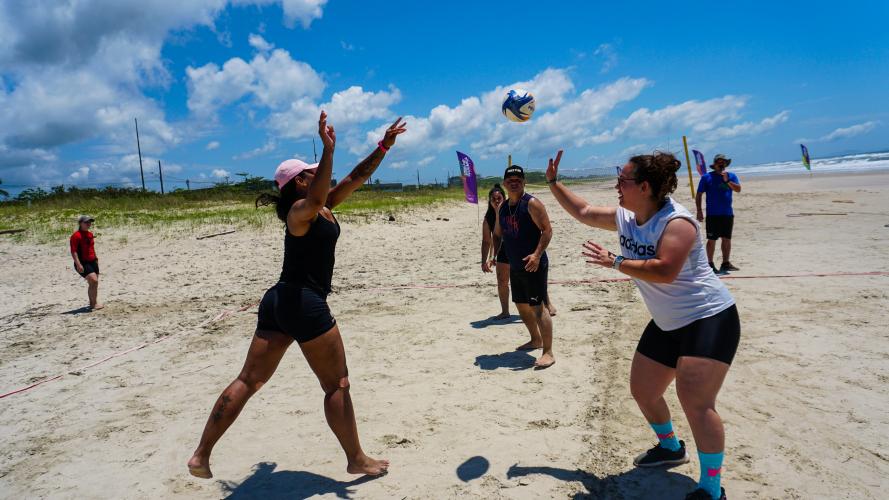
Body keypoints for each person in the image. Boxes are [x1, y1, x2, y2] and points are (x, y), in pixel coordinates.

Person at [187, 112, 407, 479]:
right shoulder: (300, 211)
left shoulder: (322, 206)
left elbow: (356, 177)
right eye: (311, 172)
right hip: (304, 303)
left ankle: (201, 455)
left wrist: (383, 146)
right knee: (336, 383)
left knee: (249, 380)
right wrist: (328, 148)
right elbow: (321, 191)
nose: (319, 174)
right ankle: (356, 458)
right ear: (299, 183)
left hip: (279, 301)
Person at [546, 150, 739, 500]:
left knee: (695, 400)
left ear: (645, 186)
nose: (617, 185)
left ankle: (712, 488)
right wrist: (553, 183)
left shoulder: (676, 222)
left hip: (708, 318)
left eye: (623, 180)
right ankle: (670, 448)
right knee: (644, 390)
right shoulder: (627, 217)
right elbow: (584, 212)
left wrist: (615, 261)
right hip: (669, 322)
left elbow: (665, 270)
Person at [493, 164, 555, 369]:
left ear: (524, 182)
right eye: (510, 180)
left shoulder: (532, 204)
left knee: (538, 308)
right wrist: (496, 256)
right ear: (504, 183)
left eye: (518, 180)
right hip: (515, 265)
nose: (514, 182)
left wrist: (537, 255)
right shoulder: (503, 207)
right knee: (521, 305)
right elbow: (500, 234)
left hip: (533, 264)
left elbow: (547, 231)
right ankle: (535, 340)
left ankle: (548, 352)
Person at [695, 154, 741, 274]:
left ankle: (725, 263)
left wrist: (727, 181)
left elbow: (738, 189)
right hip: (713, 214)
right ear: (714, 164)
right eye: (719, 162)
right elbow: (699, 194)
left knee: (727, 239)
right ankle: (710, 264)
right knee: (712, 239)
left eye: (723, 162)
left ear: (725, 164)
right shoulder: (706, 177)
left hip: (727, 213)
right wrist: (699, 211)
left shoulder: (731, 176)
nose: (721, 165)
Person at [481, 184, 511, 319]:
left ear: (504, 198)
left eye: (499, 198)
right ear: (489, 201)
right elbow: (488, 241)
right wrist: (485, 260)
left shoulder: (512, 210)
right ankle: (505, 312)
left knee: (528, 279)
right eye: (494, 199)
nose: (497, 201)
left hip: (518, 247)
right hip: (502, 249)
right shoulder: (488, 218)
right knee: (501, 280)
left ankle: (546, 303)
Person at [70, 215, 103, 310]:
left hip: (93, 261)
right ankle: (93, 304)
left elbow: (91, 248)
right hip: (82, 262)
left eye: (90, 222)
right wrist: (78, 264)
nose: (88, 224)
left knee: (94, 283)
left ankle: (94, 303)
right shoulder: (76, 236)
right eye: (86, 222)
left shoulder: (90, 234)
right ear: (80, 223)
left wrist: (96, 259)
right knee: (94, 280)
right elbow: (74, 251)